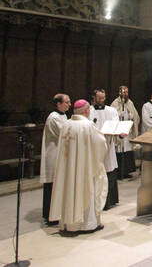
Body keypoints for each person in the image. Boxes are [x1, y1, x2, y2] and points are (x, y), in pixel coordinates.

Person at [49, 99, 108, 233]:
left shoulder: (66, 124)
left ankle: (69, 225)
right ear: (86, 110)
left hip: (68, 168)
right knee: (86, 190)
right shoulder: (87, 125)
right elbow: (100, 144)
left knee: (69, 191)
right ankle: (87, 225)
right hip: (84, 168)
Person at [40, 93, 71, 225]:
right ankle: (50, 215)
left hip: (60, 154)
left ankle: (57, 212)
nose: (69, 104)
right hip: (53, 156)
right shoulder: (53, 117)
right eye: (67, 102)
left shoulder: (62, 115)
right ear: (58, 104)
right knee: (52, 186)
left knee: (58, 185)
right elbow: (64, 133)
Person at [89, 89, 120, 210]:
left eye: (103, 98)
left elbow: (116, 124)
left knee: (109, 170)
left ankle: (109, 201)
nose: (102, 100)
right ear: (94, 98)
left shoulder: (111, 110)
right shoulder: (89, 111)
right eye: (100, 98)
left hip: (109, 144)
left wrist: (120, 132)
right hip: (95, 147)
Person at [111, 85, 140, 179]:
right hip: (119, 131)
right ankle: (119, 172)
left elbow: (136, 116)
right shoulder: (115, 103)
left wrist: (132, 116)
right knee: (120, 150)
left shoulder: (130, 102)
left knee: (127, 150)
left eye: (127, 92)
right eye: (124, 92)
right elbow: (112, 116)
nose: (125, 94)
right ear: (120, 92)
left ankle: (126, 171)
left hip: (128, 131)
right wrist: (119, 115)